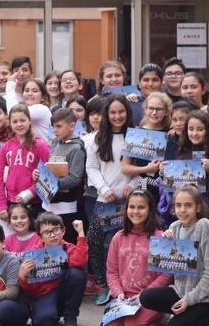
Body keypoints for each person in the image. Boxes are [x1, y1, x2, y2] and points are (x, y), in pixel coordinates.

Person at [139, 186, 209, 326]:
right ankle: (189, 316)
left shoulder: (204, 226)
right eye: (178, 205)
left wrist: (188, 300)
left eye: (188, 205)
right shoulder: (174, 227)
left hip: (206, 299)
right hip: (180, 291)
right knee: (145, 297)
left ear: (198, 208)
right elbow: (169, 267)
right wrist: (166, 244)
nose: (182, 210)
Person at [85, 95, 140, 304]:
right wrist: (103, 188)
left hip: (129, 201)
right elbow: (91, 167)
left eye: (121, 111)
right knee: (95, 241)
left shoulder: (135, 137)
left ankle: (125, 286)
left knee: (125, 243)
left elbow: (144, 169)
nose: (117, 116)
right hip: (104, 200)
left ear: (127, 112)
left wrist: (132, 186)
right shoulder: (97, 139)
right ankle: (102, 284)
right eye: (113, 112)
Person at [105, 189, 171, 326]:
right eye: (132, 207)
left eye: (141, 207)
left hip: (149, 298)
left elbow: (165, 276)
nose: (135, 211)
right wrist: (118, 293)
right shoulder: (118, 237)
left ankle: (160, 320)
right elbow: (112, 272)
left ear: (150, 210)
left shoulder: (159, 237)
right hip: (123, 298)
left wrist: (144, 295)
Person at [0, 104, 49, 219]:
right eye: (15, 121)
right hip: (12, 202)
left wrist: (30, 192)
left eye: (23, 120)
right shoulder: (6, 147)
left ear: (29, 121)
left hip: (35, 204)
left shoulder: (40, 145)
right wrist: (2, 206)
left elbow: (50, 176)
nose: (19, 124)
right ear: (9, 123)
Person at [40, 108, 86, 243]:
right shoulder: (55, 144)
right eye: (53, 126)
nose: (55, 130)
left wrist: (51, 183)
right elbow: (51, 169)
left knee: (65, 245)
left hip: (66, 208)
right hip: (48, 205)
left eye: (59, 126)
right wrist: (40, 176)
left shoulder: (77, 148)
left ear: (72, 125)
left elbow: (75, 179)